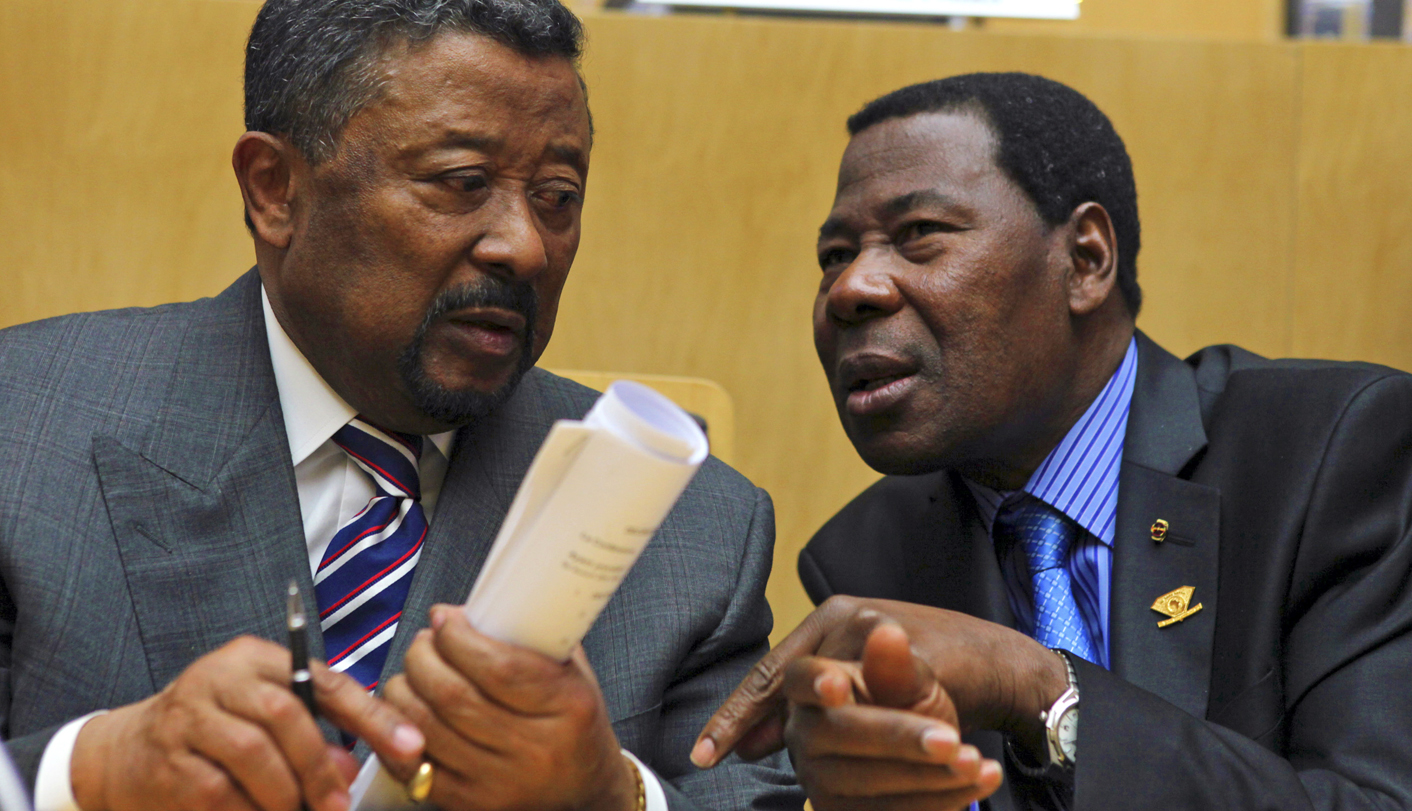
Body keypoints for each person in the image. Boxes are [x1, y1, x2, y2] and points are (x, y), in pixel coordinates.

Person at [0, 2, 801, 810]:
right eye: (463, 183)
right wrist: (84, 771)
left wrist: (609, 793)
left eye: (558, 196)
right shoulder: (23, 430)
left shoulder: (692, 531)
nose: (525, 246)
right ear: (274, 189)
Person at [692, 72, 1412, 810]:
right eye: (835, 255)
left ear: (1086, 260)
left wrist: (1041, 688)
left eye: (919, 234)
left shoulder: (1331, 454)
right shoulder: (869, 555)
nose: (850, 288)